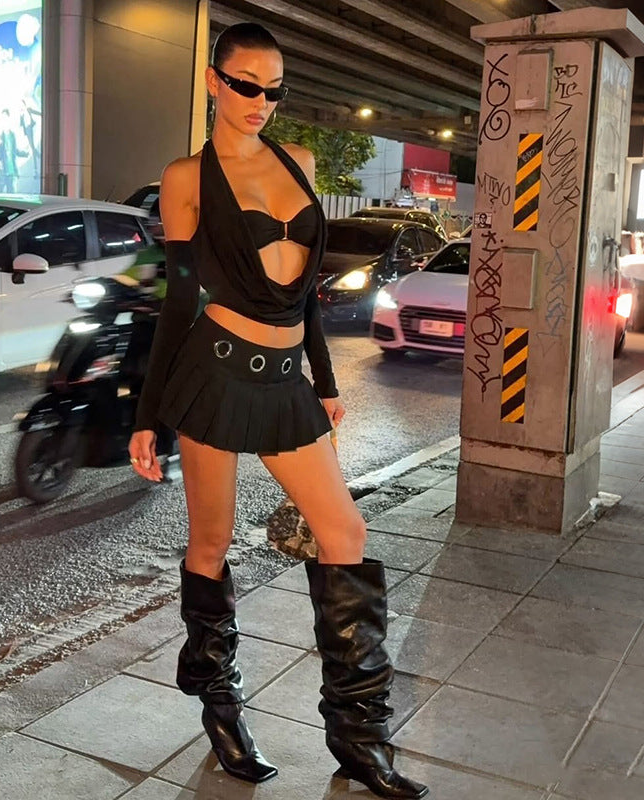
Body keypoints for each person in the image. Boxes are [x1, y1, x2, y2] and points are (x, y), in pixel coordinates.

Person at [128, 22, 428, 800]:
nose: (260, 101)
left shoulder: (299, 161)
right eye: (246, 85)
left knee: (344, 533)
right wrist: (147, 416)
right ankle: (220, 705)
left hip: (288, 377)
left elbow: (307, 298)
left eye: (274, 89)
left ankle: (359, 740)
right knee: (211, 540)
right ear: (213, 81)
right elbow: (179, 300)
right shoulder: (187, 178)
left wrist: (324, 381)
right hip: (216, 373)